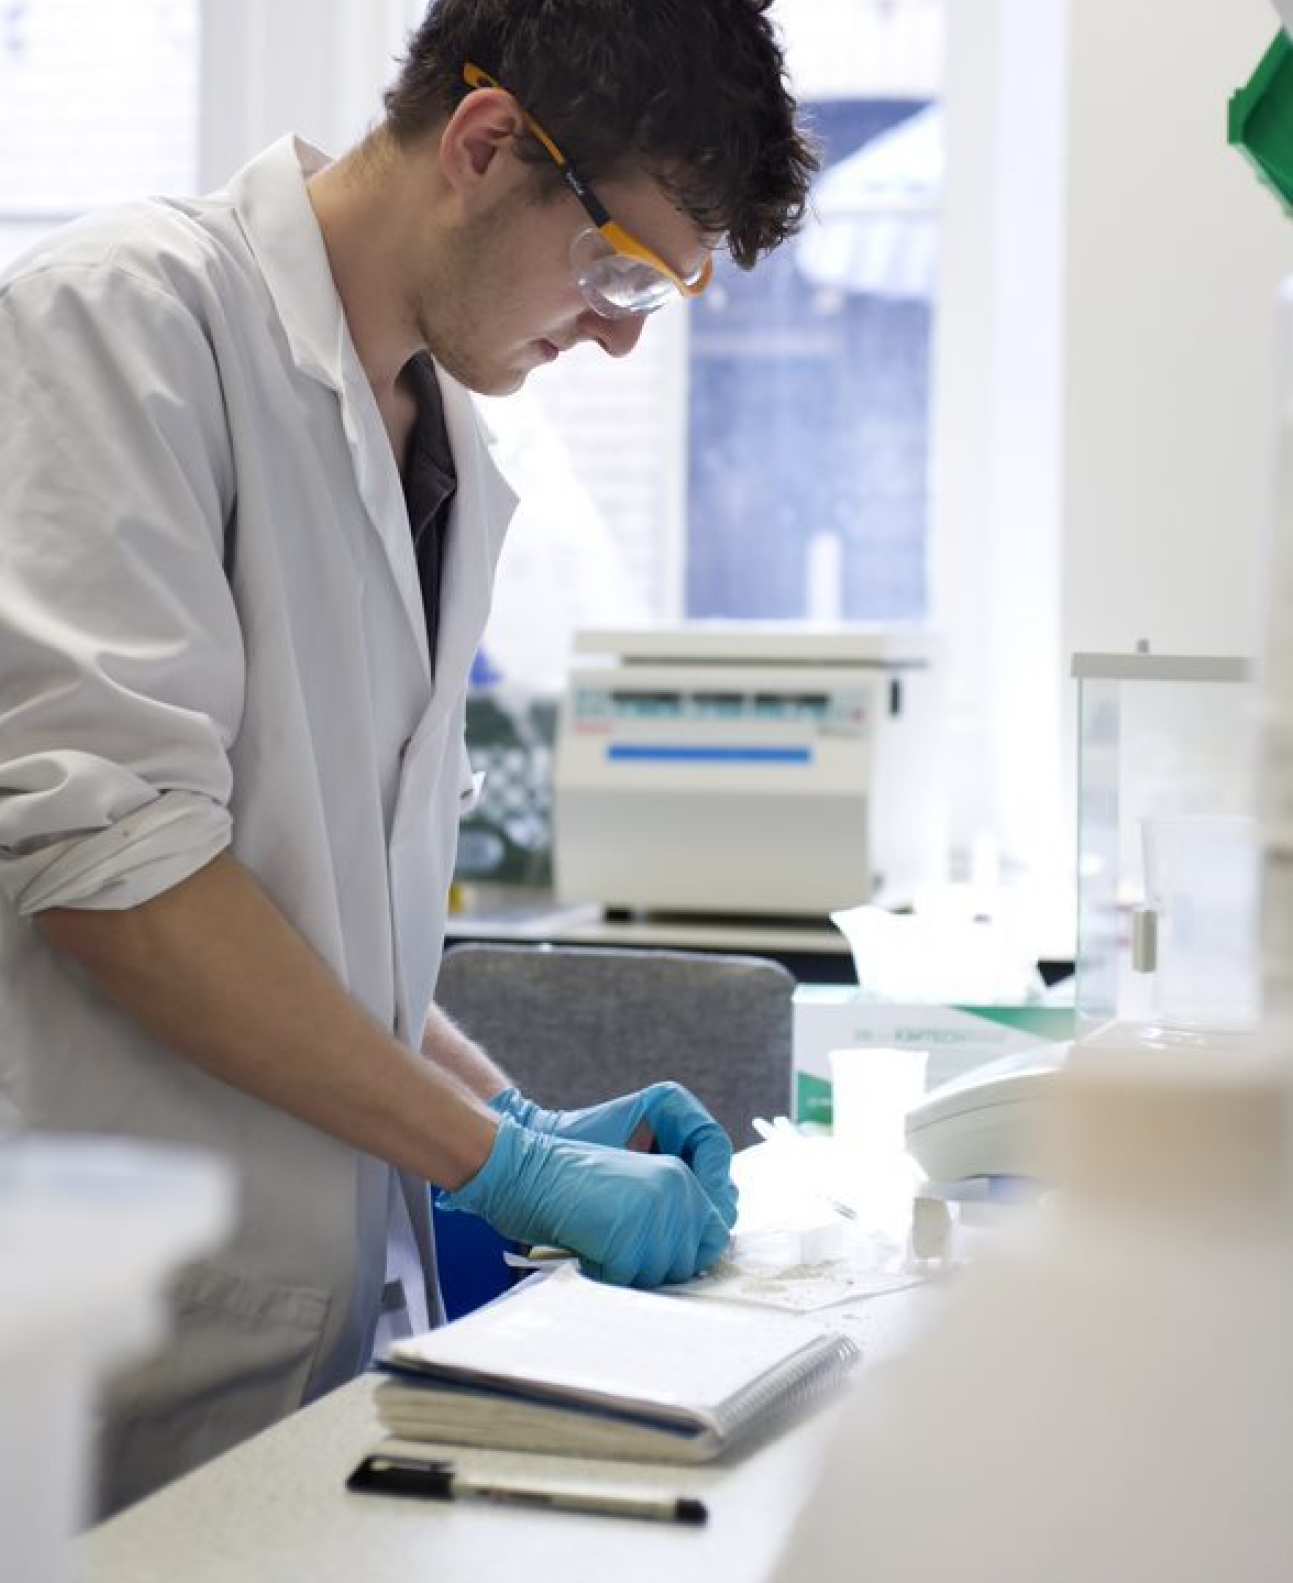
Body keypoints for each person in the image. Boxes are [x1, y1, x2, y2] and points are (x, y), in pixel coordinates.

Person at [0, 0, 816, 1513]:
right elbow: (112, 873)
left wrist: (505, 1115)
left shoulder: (448, 442)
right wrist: (485, 1164)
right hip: (106, 1360)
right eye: (615, 265)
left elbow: (313, 916)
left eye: (660, 292)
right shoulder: (124, 325)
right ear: (487, 142)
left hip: (325, 1357)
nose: (621, 333)